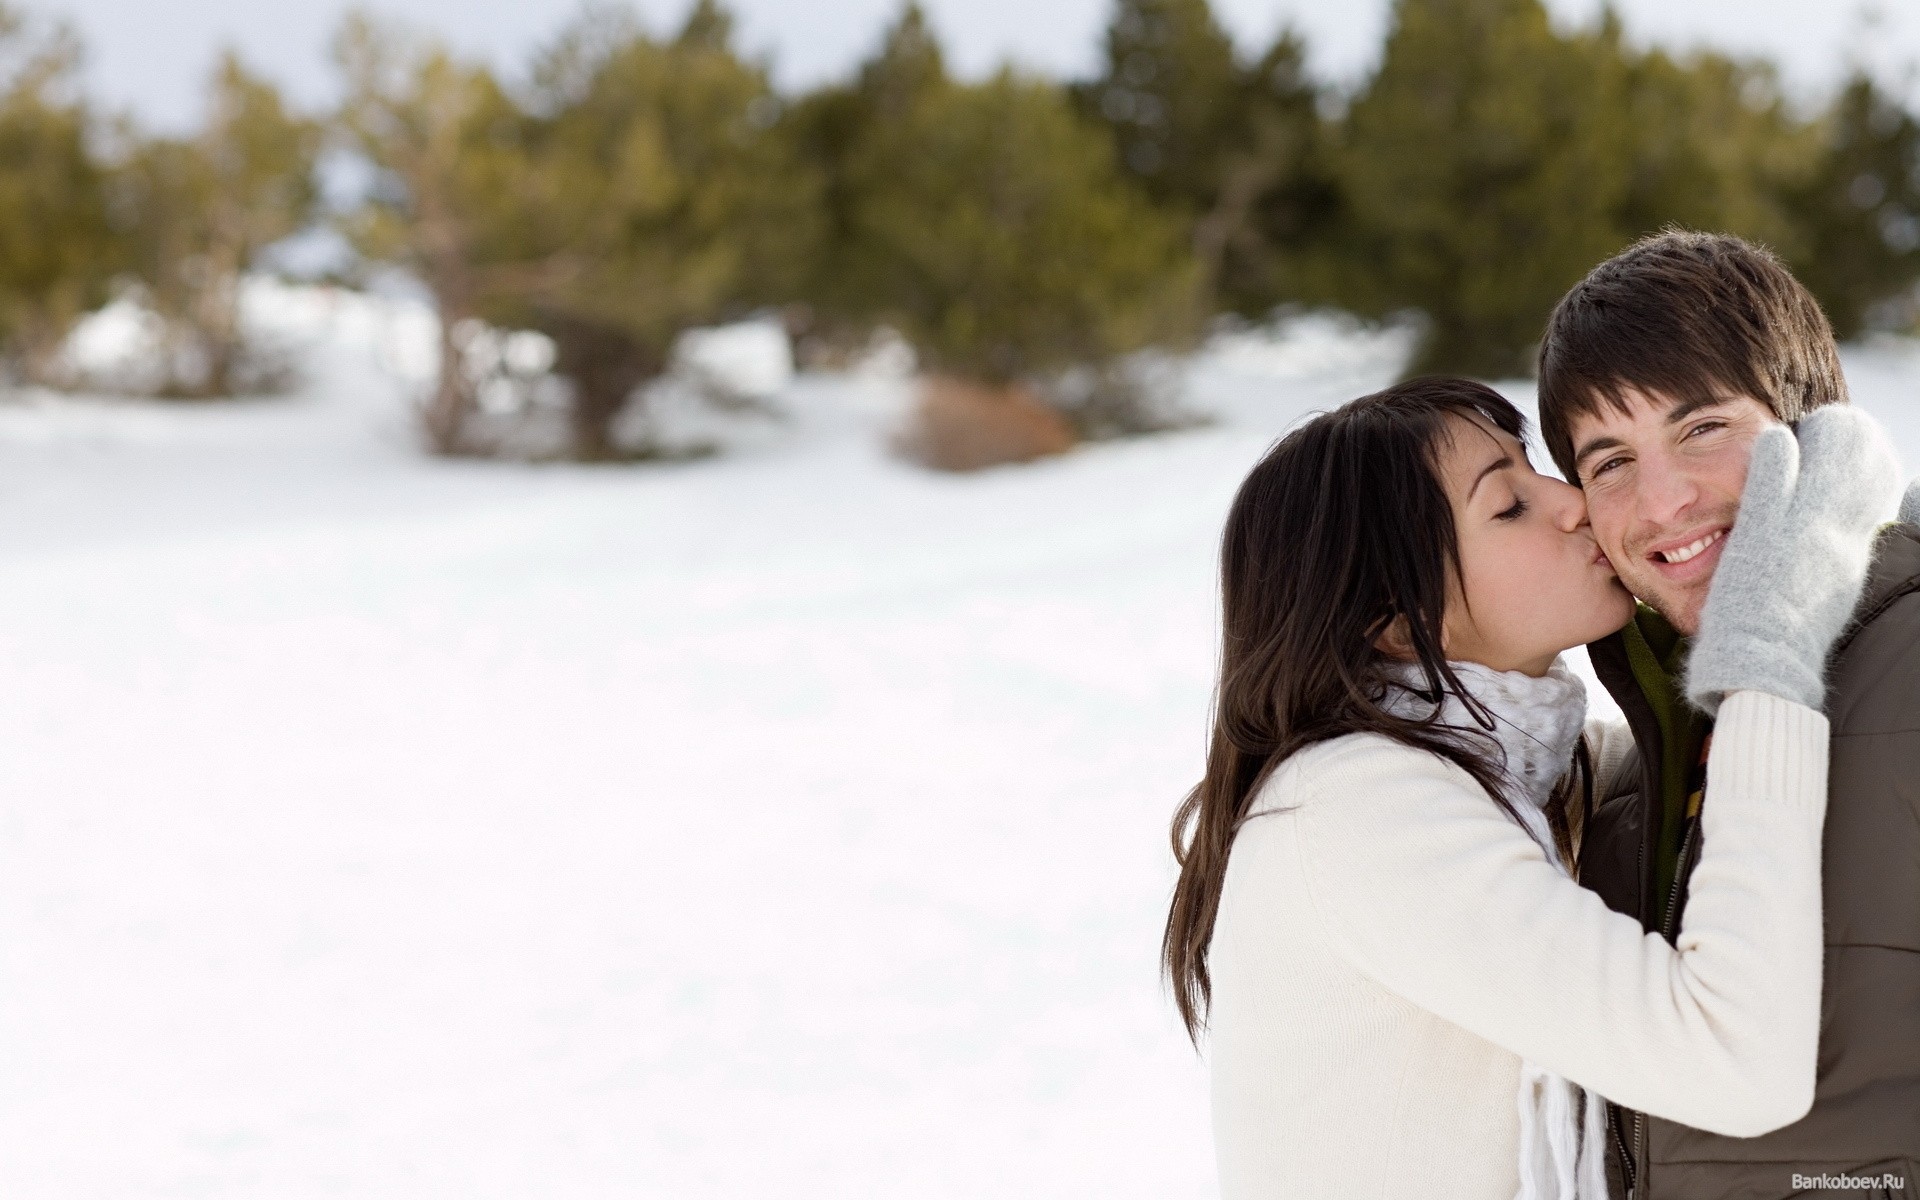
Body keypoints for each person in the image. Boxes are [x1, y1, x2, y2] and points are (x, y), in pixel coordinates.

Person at [1162, 375, 1901, 1199]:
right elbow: (1733, 1060)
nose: (1573, 503)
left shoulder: (1525, 771)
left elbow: (1759, 778)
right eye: (1508, 504)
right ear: (1398, 621)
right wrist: (1770, 640)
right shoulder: (1357, 809)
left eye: (1535, 467)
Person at [1536, 229, 1920, 1200]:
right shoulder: (1639, 767)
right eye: (1610, 460)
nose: (1663, 503)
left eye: (1703, 428)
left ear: (1814, 423)